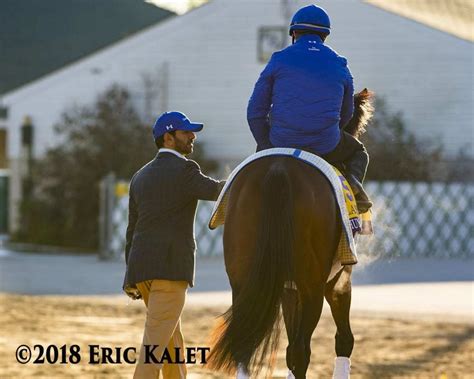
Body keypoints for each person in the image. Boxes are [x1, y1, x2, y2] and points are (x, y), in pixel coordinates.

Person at [123, 111, 225, 379]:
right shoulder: (185, 170)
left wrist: (129, 277)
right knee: (154, 348)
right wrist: (250, 179)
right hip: (170, 271)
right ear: (168, 138)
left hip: (142, 271)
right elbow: (218, 192)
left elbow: (132, 230)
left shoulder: (139, 176)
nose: (193, 136)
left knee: (170, 340)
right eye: (186, 132)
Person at [247, 4, 372, 213]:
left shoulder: (278, 59)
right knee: (359, 152)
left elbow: (255, 113)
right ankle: (354, 187)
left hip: (280, 143)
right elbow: (347, 113)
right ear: (325, 35)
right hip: (326, 144)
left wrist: (267, 144)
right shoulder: (340, 65)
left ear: (294, 33)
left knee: (251, 177)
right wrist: (325, 131)